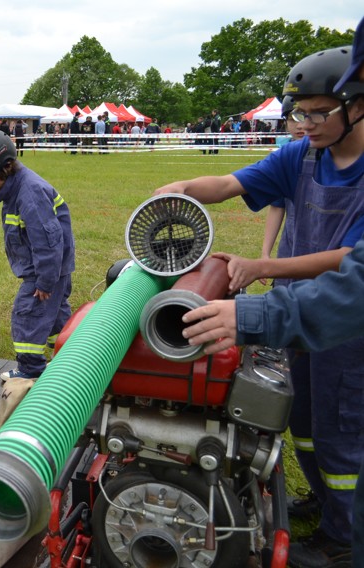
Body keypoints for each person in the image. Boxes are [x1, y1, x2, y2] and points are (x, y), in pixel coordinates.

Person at [154, 45, 364, 568]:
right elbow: (231, 183)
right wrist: (184, 188)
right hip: (297, 313)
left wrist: (265, 267)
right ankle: (323, 500)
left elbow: (349, 260)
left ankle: (343, 536)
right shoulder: (303, 155)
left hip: (346, 320)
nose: (306, 123)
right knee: (306, 421)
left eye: (320, 112)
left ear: (357, 105)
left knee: (342, 428)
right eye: (300, 112)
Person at [0, 130, 74, 380]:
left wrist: (45, 281)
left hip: (44, 274)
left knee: (28, 318)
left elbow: (47, 242)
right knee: (56, 319)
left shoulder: (30, 194)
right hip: (51, 270)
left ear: (6, 166)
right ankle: (67, 365)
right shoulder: (18, 188)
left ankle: (31, 373)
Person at [260, 95, 307, 275]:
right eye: (293, 118)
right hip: (291, 245)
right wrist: (265, 253)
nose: (300, 125)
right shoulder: (284, 159)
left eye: (305, 116)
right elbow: (278, 206)